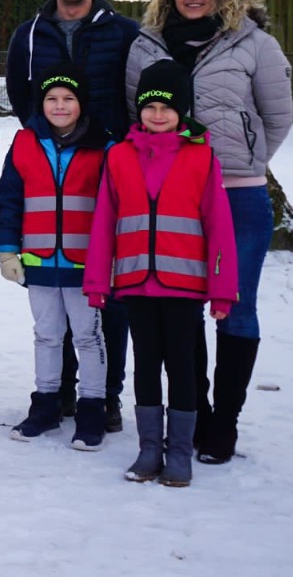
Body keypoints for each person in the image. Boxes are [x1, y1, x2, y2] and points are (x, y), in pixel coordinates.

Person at [125, 0, 292, 466]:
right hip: (171, 200)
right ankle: (192, 410)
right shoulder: (146, 46)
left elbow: (277, 116)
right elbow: (139, 111)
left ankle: (225, 423)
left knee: (235, 305)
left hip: (238, 195)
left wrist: (243, 161)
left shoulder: (255, 44)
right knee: (181, 307)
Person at [4, 0, 139, 429]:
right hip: (52, 166)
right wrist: (49, 134)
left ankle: (105, 397)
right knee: (56, 287)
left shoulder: (123, 30)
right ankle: (59, 393)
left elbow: (137, 90)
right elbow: (21, 94)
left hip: (108, 166)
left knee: (104, 295)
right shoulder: (31, 34)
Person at [86, 61, 237, 487]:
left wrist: (222, 293)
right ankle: (150, 448)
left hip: (184, 287)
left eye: (166, 107)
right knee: (145, 367)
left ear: (182, 112)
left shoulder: (202, 158)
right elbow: (104, 223)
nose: (157, 114)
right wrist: (98, 282)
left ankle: (179, 452)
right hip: (135, 284)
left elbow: (219, 229)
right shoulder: (119, 156)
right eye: (149, 105)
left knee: (183, 368)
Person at [0, 70, 112, 450]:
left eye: (68, 99)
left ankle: (92, 407)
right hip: (39, 260)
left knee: (88, 336)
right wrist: (7, 249)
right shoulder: (25, 143)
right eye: (52, 99)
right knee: (46, 335)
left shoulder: (103, 146)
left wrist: (111, 256)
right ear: (41, 105)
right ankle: (45, 404)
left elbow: (115, 206)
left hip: (85, 264)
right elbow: (9, 198)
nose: (60, 106)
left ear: (81, 104)